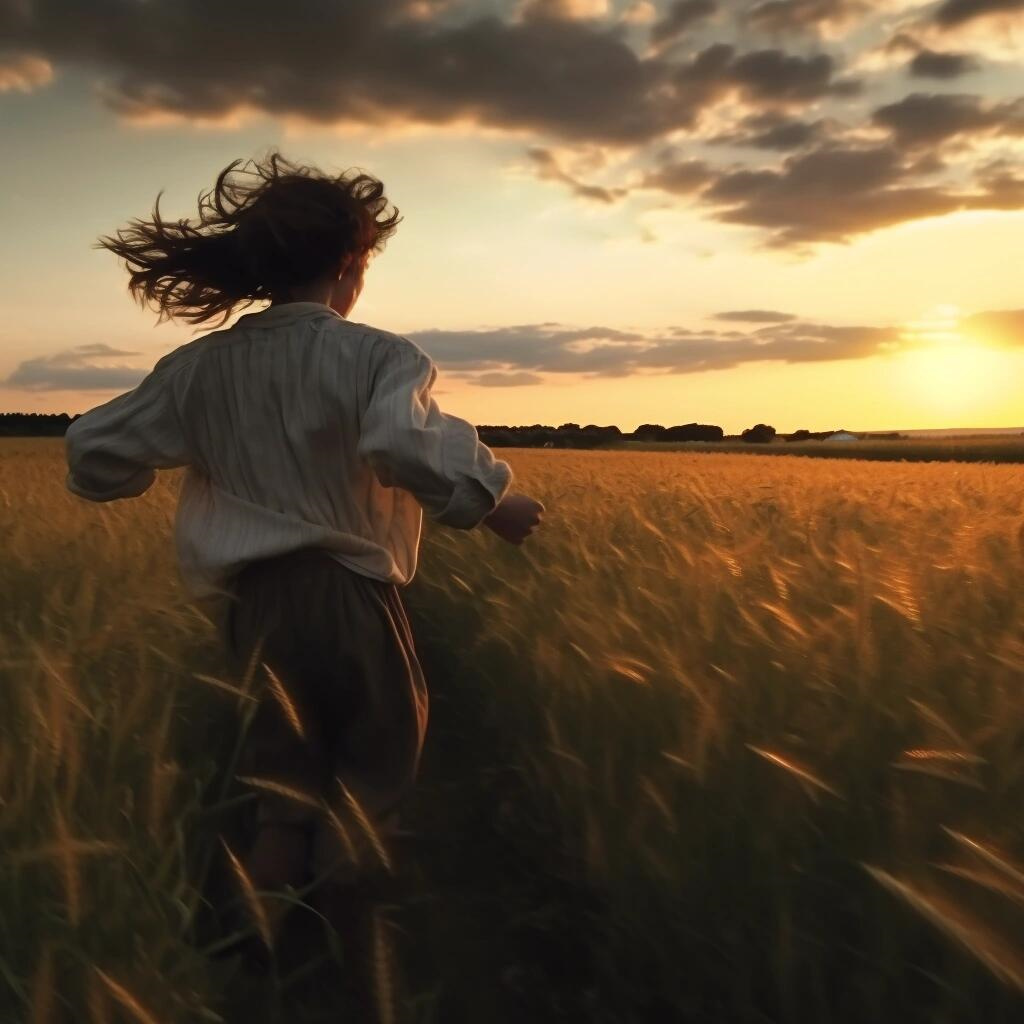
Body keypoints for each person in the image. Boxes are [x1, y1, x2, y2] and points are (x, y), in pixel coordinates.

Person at [64, 151, 545, 970]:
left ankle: (262, 969)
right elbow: (398, 440)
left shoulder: (196, 370)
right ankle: (351, 975)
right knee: (368, 787)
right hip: (352, 597)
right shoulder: (379, 357)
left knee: (280, 795)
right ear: (350, 266)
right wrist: (493, 504)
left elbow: (90, 451)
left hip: (253, 608)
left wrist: (163, 463)